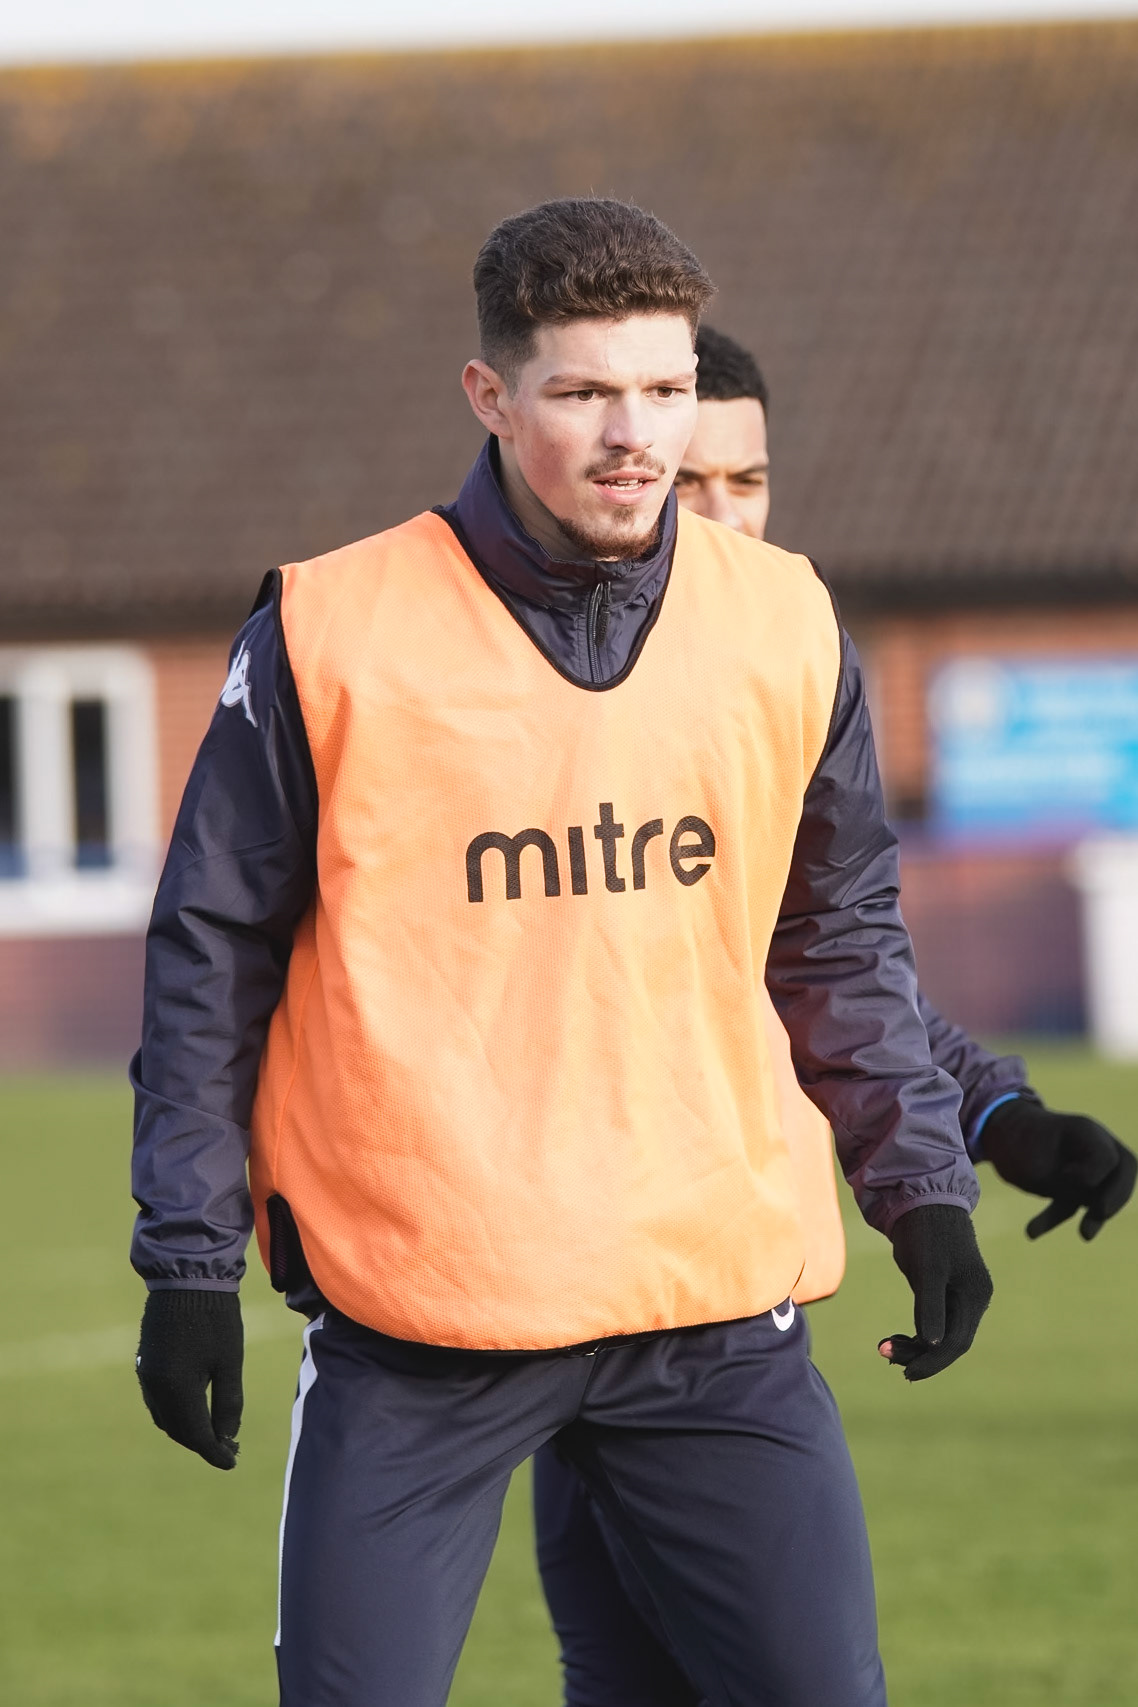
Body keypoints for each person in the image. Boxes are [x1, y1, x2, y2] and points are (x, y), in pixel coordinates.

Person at [132, 197, 1003, 1707]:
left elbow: (836, 937)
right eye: (584, 391)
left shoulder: (786, 620)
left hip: (709, 1306)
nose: (635, 436)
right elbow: (211, 956)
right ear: (489, 393)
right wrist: (190, 1261)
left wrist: (918, 1183)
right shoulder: (330, 632)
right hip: (424, 1314)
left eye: (665, 389)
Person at [530, 323, 1138, 1707]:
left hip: (714, 1286)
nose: (723, 514)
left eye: (747, 481)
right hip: (591, 1287)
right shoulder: (570, 706)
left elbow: (826, 969)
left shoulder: (778, 671)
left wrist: (997, 1117)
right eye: (691, 480)